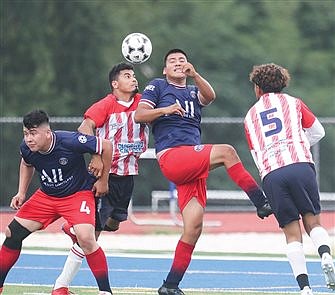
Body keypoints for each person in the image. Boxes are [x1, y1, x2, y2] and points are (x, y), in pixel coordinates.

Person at [134, 48, 273, 295]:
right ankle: (261, 202)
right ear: (165, 70)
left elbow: (210, 96)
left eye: (182, 60)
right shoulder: (157, 86)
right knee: (227, 152)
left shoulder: (191, 90)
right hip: (174, 156)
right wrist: (165, 110)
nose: (178, 63)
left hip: (192, 162)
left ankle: (170, 285)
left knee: (194, 227)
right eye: (172, 61)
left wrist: (196, 75)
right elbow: (139, 115)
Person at [52, 62, 149, 294]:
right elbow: (84, 128)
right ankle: (61, 286)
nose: (134, 79)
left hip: (128, 174)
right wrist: (96, 154)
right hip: (105, 175)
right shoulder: (106, 104)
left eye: (134, 75)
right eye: (127, 76)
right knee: (91, 236)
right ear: (115, 84)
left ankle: (75, 227)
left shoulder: (143, 103)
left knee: (113, 224)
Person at [244, 63, 335, 295]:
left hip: (272, 173)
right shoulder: (294, 103)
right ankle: (325, 254)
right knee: (313, 221)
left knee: (291, 233)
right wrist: (298, 144)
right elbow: (318, 132)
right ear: (283, 83)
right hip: (300, 165)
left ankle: (304, 288)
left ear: (257, 88)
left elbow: (256, 154)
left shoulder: (250, 116)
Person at [0, 110, 113, 295]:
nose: (29, 138)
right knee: (12, 233)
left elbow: (106, 146)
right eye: (26, 134)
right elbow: (26, 163)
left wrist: (103, 181)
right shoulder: (27, 148)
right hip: (46, 197)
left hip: (77, 194)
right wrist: (21, 192)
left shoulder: (69, 141)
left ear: (47, 132)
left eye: (33, 133)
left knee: (86, 238)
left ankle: (105, 291)